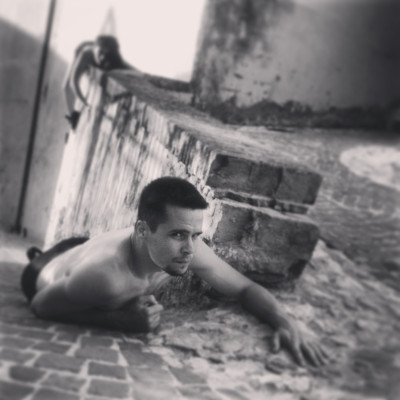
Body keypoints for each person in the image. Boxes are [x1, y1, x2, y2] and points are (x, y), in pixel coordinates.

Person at [21, 177, 328, 367]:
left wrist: (284, 321)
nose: (190, 249)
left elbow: (245, 288)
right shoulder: (105, 278)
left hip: (85, 247)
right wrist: (118, 320)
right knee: (48, 261)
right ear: (143, 230)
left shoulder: (186, 248)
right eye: (178, 235)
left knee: (81, 245)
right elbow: (40, 305)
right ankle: (38, 254)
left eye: (195, 235)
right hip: (44, 272)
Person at [63, 35, 142, 130]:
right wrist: (85, 102)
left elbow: (128, 69)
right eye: (101, 53)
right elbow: (73, 83)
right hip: (82, 51)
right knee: (65, 87)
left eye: (106, 54)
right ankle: (72, 117)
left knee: (116, 69)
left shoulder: (111, 57)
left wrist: (141, 77)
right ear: (95, 48)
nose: (102, 57)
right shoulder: (85, 54)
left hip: (98, 53)